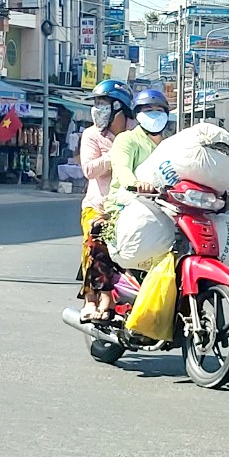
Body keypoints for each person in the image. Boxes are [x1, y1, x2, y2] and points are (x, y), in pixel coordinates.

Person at [77, 80, 134, 323]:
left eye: (103, 104)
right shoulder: (92, 135)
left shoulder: (137, 134)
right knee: (96, 244)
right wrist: (117, 154)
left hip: (130, 207)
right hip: (98, 207)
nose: (97, 109)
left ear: (119, 109)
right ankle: (93, 300)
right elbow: (89, 169)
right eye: (96, 104)